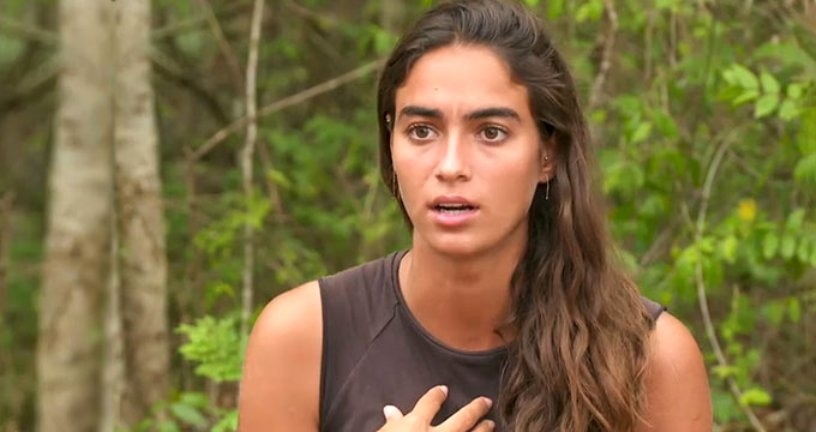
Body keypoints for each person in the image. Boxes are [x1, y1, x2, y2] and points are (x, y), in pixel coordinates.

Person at [238, 0, 713, 430]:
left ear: (547, 153)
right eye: (422, 130)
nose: (450, 166)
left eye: (490, 132)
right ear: (390, 142)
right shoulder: (304, 339)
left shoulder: (650, 359)